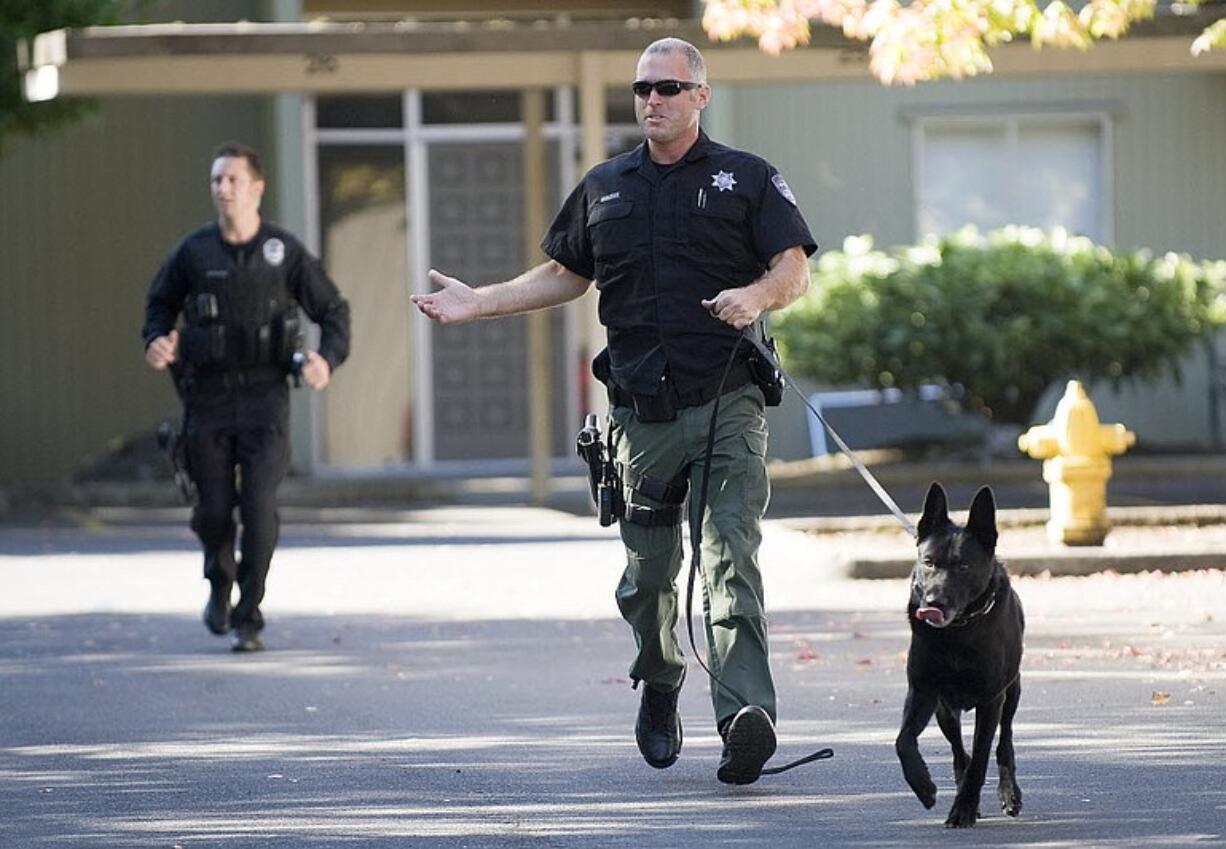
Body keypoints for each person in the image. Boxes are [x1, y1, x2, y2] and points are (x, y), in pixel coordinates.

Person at [411, 38, 815, 784]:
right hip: (641, 412)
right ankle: (661, 681)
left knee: (731, 555)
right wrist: (480, 303)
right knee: (650, 577)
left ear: (701, 94)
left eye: (668, 86)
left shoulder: (746, 178)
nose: (652, 99)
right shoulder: (606, 186)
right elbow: (565, 274)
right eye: (641, 88)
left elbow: (793, 265)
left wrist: (756, 296)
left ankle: (744, 717)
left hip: (728, 398)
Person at [142, 141, 351, 653]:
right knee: (213, 511)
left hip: (265, 400)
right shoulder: (194, 252)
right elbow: (159, 306)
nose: (223, 188)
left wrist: (326, 358)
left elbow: (332, 310)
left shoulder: (283, 251)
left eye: (233, 180)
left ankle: (248, 614)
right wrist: (157, 340)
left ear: (256, 188)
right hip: (206, 399)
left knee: (258, 511)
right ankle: (219, 582)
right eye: (216, 180)